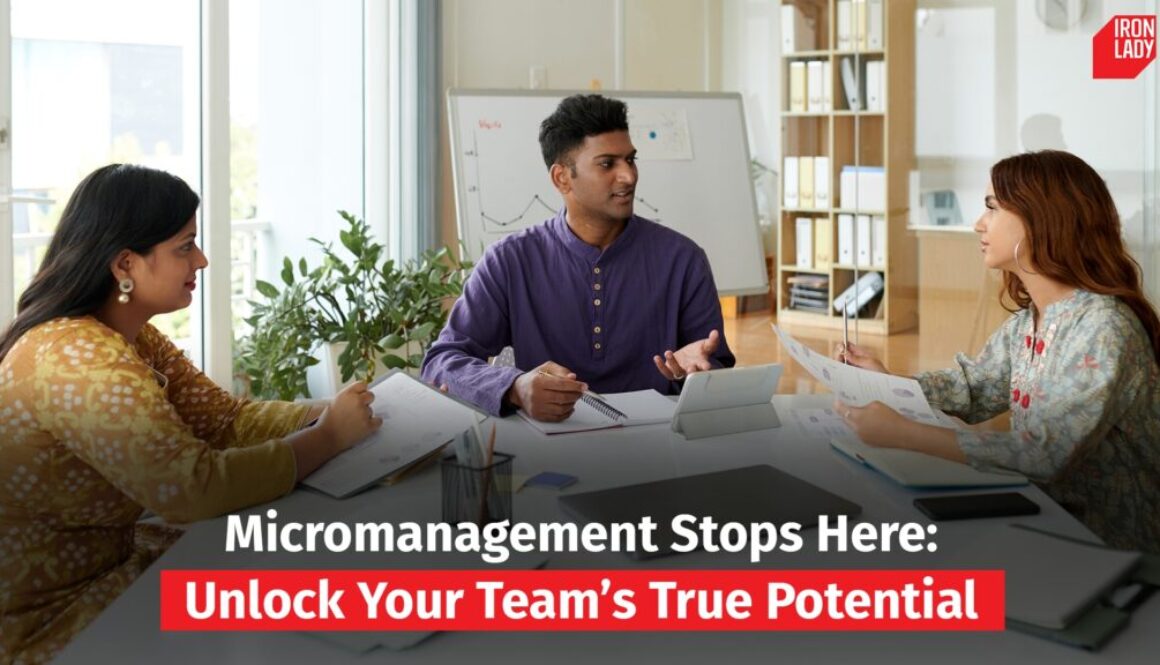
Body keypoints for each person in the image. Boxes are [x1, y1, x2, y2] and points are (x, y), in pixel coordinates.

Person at [0, 164, 382, 662]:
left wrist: (328, 412)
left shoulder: (124, 334)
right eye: (184, 247)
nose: (200, 261)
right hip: (53, 619)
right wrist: (328, 438)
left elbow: (224, 422)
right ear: (125, 265)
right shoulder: (76, 357)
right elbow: (191, 488)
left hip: (112, 568)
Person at [834, 150, 1160, 553]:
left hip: (1111, 549)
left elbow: (1046, 453)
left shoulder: (1104, 328)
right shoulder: (1029, 322)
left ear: (1043, 219)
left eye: (992, 208)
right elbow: (972, 388)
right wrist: (886, 381)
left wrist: (904, 434)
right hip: (1048, 522)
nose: (979, 223)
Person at [421, 94, 735, 421]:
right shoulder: (509, 261)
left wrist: (696, 373)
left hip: (661, 448)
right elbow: (441, 362)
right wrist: (516, 386)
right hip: (546, 455)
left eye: (630, 159)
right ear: (562, 178)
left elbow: (714, 367)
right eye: (607, 164)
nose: (628, 176)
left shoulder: (683, 259)